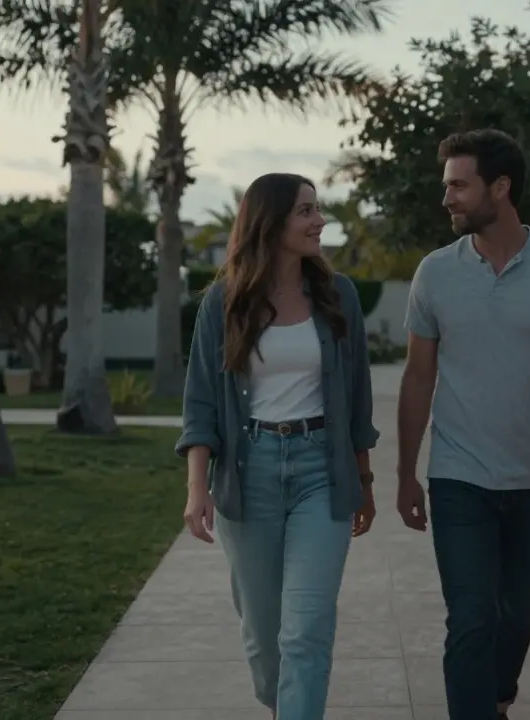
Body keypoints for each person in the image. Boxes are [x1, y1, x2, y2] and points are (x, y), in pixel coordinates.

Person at [394, 129, 530, 720]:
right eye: (447, 187)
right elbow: (418, 377)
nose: (448, 199)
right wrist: (406, 474)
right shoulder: (435, 273)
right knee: (470, 618)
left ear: (500, 186)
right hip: (459, 475)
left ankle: (495, 701)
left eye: (459, 186)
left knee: (516, 613)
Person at [176, 172, 381, 720]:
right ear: (271, 222)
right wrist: (198, 489)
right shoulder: (223, 302)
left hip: (322, 470)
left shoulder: (340, 297)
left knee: (306, 630)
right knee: (264, 637)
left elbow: (357, 399)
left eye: (318, 209)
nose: (319, 221)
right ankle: (280, 704)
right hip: (250, 473)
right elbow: (200, 404)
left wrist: (363, 481)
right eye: (306, 212)